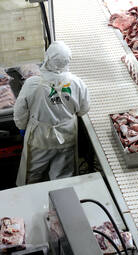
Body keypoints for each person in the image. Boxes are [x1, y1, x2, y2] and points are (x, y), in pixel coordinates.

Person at [13, 41, 90, 186]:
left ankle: (31, 202)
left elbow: (20, 111)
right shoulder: (77, 83)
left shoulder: (32, 84)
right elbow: (83, 110)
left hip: (39, 138)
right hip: (66, 136)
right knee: (64, 178)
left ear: (47, 58)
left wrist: (22, 127)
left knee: (32, 175)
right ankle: (59, 205)